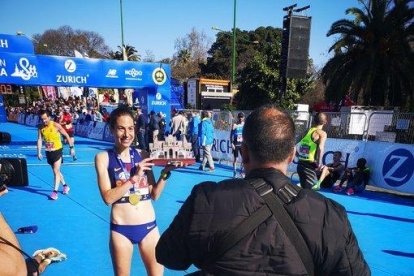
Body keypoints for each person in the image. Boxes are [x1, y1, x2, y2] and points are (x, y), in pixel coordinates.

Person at [156, 105, 370, 275]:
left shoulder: (206, 199)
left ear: (244, 153)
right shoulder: (329, 214)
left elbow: (169, 256)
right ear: (291, 155)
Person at [94, 107, 180, 276]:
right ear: (112, 129)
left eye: (130, 128)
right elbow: (108, 198)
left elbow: (154, 194)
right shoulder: (103, 158)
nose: (127, 134)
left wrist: (166, 172)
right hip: (121, 230)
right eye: (121, 128)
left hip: (149, 228)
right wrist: (133, 178)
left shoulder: (143, 154)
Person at [37, 109, 75, 200]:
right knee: (56, 171)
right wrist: (38, 152)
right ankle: (65, 186)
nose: (44, 121)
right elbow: (39, 139)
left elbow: (66, 135)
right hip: (48, 151)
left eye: (45, 119)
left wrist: (71, 148)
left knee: (55, 170)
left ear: (49, 117)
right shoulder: (40, 127)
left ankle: (55, 192)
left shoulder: (56, 125)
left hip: (57, 150)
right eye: (42, 119)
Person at [296, 112, 328, 190]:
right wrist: (319, 163)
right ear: (325, 122)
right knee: (307, 192)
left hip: (300, 164)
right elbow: (320, 147)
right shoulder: (322, 133)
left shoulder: (306, 131)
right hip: (309, 166)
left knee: (304, 190)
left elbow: (293, 145)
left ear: (313, 120)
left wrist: (297, 155)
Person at [230, 112, 245, 178]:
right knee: (235, 159)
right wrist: (231, 143)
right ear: (238, 117)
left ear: (243, 117)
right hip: (236, 144)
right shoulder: (235, 125)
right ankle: (234, 172)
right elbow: (231, 135)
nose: (241, 118)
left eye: (242, 117)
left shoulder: (244, 125)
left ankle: (241, 172)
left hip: (242, 144)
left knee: (243, 159)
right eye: (240, 117)